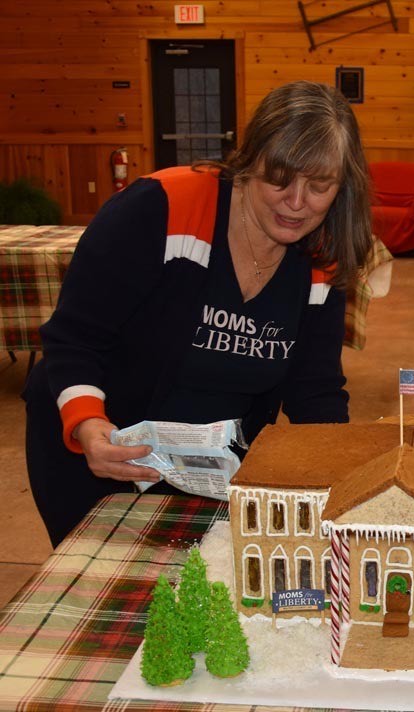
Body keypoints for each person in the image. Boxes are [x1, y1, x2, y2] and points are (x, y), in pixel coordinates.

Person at [24, 81, 373, 547]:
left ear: (342, 187)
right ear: (249, 160)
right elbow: (75, 337)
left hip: (209, 473)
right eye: (279, 178)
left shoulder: (323, 254)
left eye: (319, 186)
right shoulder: (162, 206)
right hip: (99, 452)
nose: (296, 202)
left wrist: (341, 477)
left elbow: (315, 390)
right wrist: (88, 425)